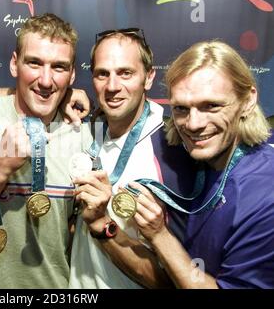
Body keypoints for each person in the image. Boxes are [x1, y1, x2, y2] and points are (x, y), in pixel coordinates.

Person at [0, 13, 92, 288]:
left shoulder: (84, 134)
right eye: (34, 63)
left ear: (72, 75)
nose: (45, 80)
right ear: (14, 63)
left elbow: (78, 234)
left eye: (58, 67)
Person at [131, 40, 274, 288]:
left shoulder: (265, 196)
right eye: (181, 109)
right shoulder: (198, 153)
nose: (194, 124)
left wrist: (159, 235)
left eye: (211, 106)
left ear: (248, 101)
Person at [68, 29, 195, 288]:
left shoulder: (172, 149)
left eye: (126, 73)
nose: (113, 87)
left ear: (148, 78)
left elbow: (172, 280)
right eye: (102, 74)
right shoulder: (89, 130)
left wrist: (101, 223)